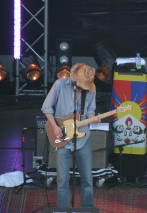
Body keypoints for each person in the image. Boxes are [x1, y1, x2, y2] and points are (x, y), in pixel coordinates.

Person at [41, 63, 101, 207]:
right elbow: (46, 107)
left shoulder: (91, 88)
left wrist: (94, 118)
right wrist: (55, 127)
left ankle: (87, 209)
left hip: (83, 137)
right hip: (62, 137)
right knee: (62, 180)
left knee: (87, 178)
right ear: (73, 78)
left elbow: (90, 110)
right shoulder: (60, 85)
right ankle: (63, 210)